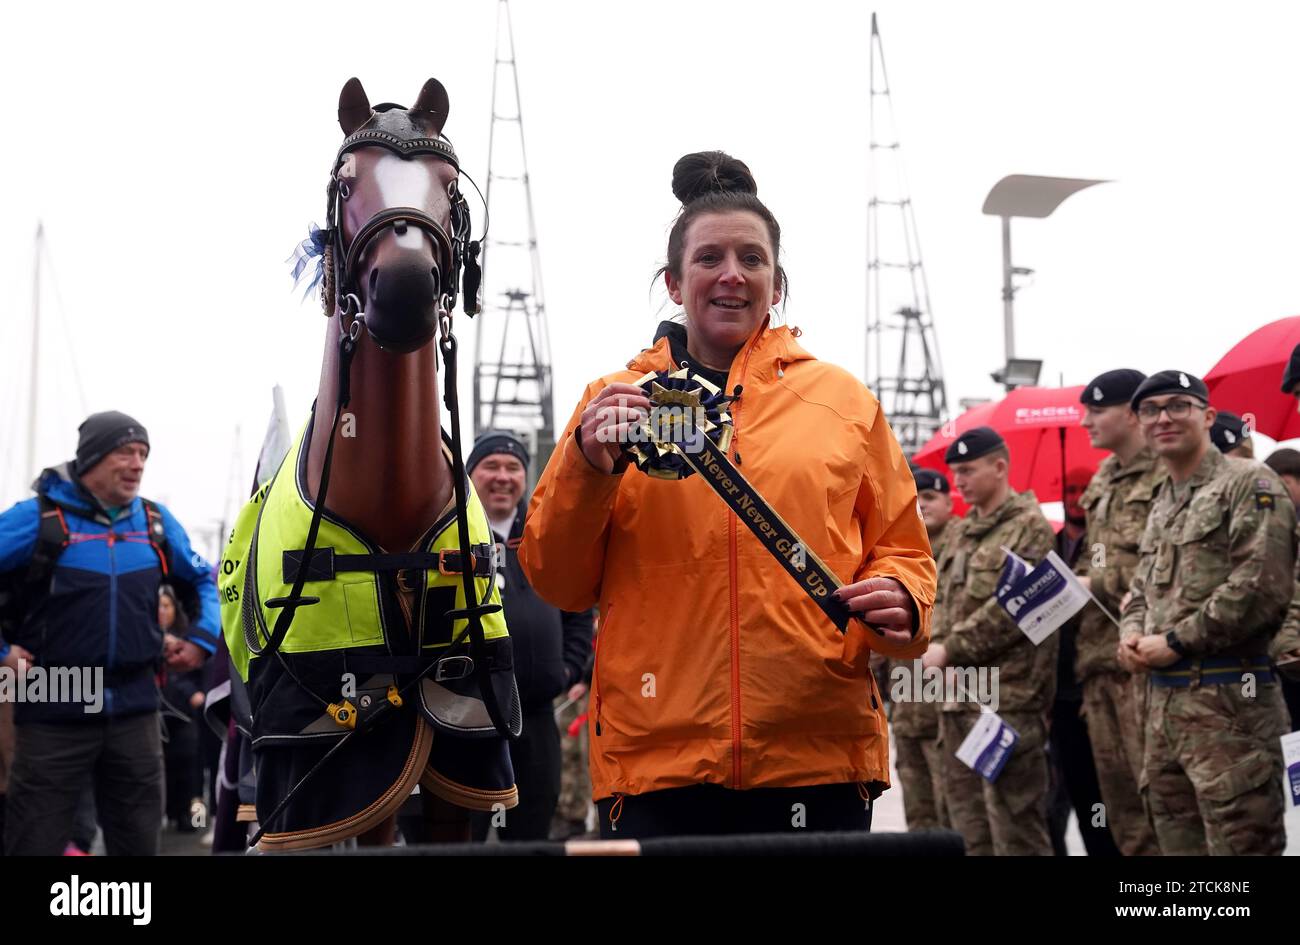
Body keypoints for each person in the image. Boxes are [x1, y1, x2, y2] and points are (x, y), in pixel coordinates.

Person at [519, 151, 935, 839]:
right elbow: (557, 579)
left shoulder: (843, 402)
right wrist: (588, 466)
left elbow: (902, 548)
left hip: (819, 752)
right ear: (674, 284)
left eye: (753, 257)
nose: (732, 273)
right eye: (709, 257)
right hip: (658, 760)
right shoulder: (612, 405)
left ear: (778, 283)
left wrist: (902, 596)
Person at [0, 411, 219, 856]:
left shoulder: (155, 523)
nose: (138, 464)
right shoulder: (38, 519)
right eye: (126, 452)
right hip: (52, 701)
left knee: (138, 844)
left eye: (143, 454)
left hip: (136, 706)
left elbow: (201, 581)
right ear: (92, 459)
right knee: (34, 842)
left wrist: (202, 639)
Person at [1120, 371, 1294, 855]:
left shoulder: (1249, 483)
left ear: (1208, 416)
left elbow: (1261, 586)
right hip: (1163, 713)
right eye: (1151, 410)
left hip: (1230, 711)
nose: (1164, 418)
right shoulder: (1164, 500)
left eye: (1179, 406)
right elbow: (1141, 586)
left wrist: (1174, 641)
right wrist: (1132, 632)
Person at [922, 426, 1057, 856]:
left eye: (967, 470)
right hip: (957, 701)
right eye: (954, 472)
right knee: (966, 830)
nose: (958, 481)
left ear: (1000, 468)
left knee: (1015, 828)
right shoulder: (962, 533)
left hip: (1008, 702)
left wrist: (949, 648)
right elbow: (943, 602)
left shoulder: (1030, 529)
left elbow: (1016, 610)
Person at [465, 431, 593, 842]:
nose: (502, 477)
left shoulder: (546, 536)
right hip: (464, 723)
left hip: (536, 718)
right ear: (469, 476)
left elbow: (576, 606)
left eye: (512, 467)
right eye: (491, 466)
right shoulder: (447, 537)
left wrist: (568, 669)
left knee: (533, 832)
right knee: (457, 837)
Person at [1073, 369, 1160, 855]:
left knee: (1159, 800)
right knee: (1121, 807)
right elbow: (1098, 556)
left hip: (1142, 660)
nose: (1087, 422)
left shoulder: (1167, 470)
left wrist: (1095, 581)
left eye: (1097, 410)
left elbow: (1166, 561)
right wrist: (1071, 581)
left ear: (1131, 413)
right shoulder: (1104, 478)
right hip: (1098, 662)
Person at [1045, 466, 1119, 856]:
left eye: (1083, 489)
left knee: (1100, 801)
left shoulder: (1102, 544)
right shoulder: (1052, 545)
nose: (1076, 496)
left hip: (1096, 689)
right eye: (1070, 489)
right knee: (1058, 797)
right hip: (1059, 696)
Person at [890, 466, 954, 831]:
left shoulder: (963, 546)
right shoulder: (901, 552)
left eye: (929, 498)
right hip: (907, 707)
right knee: (919, 818)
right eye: (915, 500)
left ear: (948, 501)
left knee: (954, 817)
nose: (922, 506)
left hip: (950, 707)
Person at [158, 584, 205, 834]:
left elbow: (195, 672)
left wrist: (194, 694)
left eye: (166, 606)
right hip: (155, 714)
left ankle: (192, 817)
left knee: (189, 766)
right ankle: (165, 813)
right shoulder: (146, 635)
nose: (162, 611)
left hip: (184, 712)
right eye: (158, 606)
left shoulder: (188, 636)